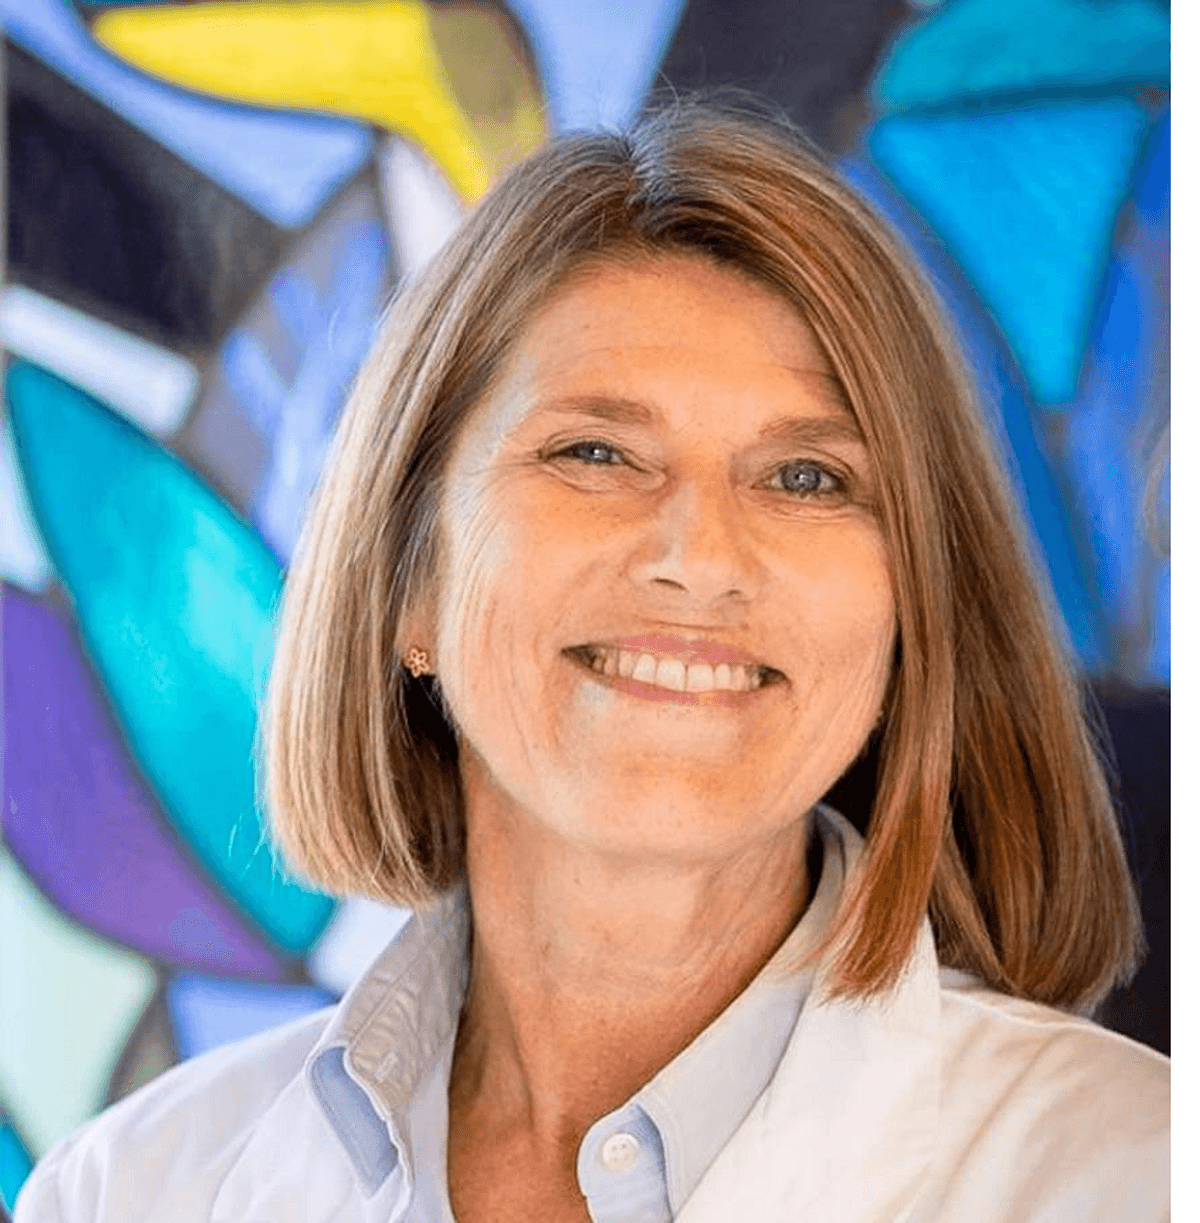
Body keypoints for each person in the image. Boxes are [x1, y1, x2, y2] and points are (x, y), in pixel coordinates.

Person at [15, 101, 1167, 1223]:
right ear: (409, 579)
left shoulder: (1137, 1177)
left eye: (808, 476)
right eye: (598, 451)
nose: (700, 557)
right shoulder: (129, 1188)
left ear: (907, 618)